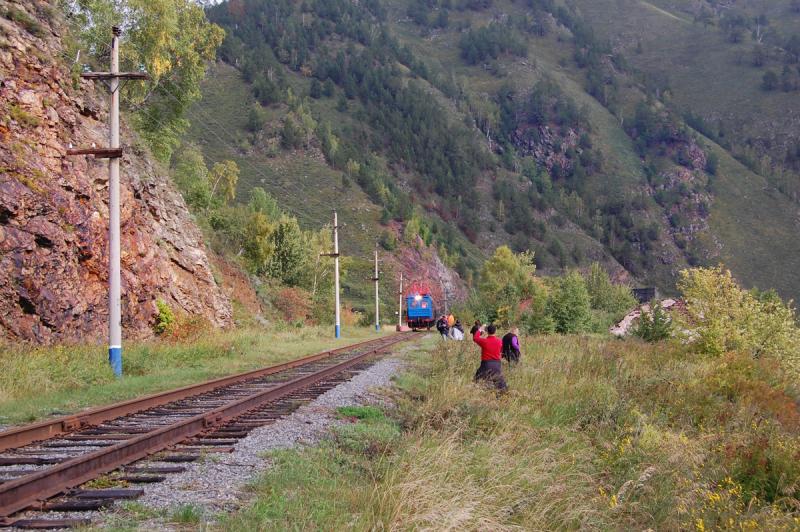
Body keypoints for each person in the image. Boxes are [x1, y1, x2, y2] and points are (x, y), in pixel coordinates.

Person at [472, 324, 507, 391]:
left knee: (477, 380)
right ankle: (502, 394)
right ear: (495, 331)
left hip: (486, 364)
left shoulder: (484, 341)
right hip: (497, 364)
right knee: (500, 383)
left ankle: (476, 392)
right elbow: (502, 351)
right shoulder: (499, 341)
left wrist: (480, 329)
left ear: (487, 331)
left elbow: (475, 338)